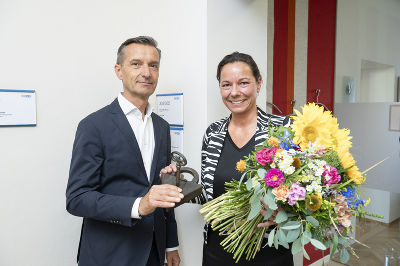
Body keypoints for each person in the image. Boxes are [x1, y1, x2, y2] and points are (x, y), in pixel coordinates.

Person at [66, 36, 182, 266]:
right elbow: (77, 198)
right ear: (119, 71)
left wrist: (171, 244)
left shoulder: (162, 127)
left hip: (154, 252)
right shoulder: (93, 126)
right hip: (110, 254)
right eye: (136, 64)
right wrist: (139, 206)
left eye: (153, 65)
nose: (146, 72)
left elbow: (161, 190)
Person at [196, 52, 293, 265]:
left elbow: (300, 192)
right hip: (217, 251)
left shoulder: (283, 130)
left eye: (243, 83)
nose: (234, 92)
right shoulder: (213, 133)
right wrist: (177, 188)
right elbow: (208, 193)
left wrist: (285, 211)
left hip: (270, 251)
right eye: (226, 85)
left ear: (258, 84)